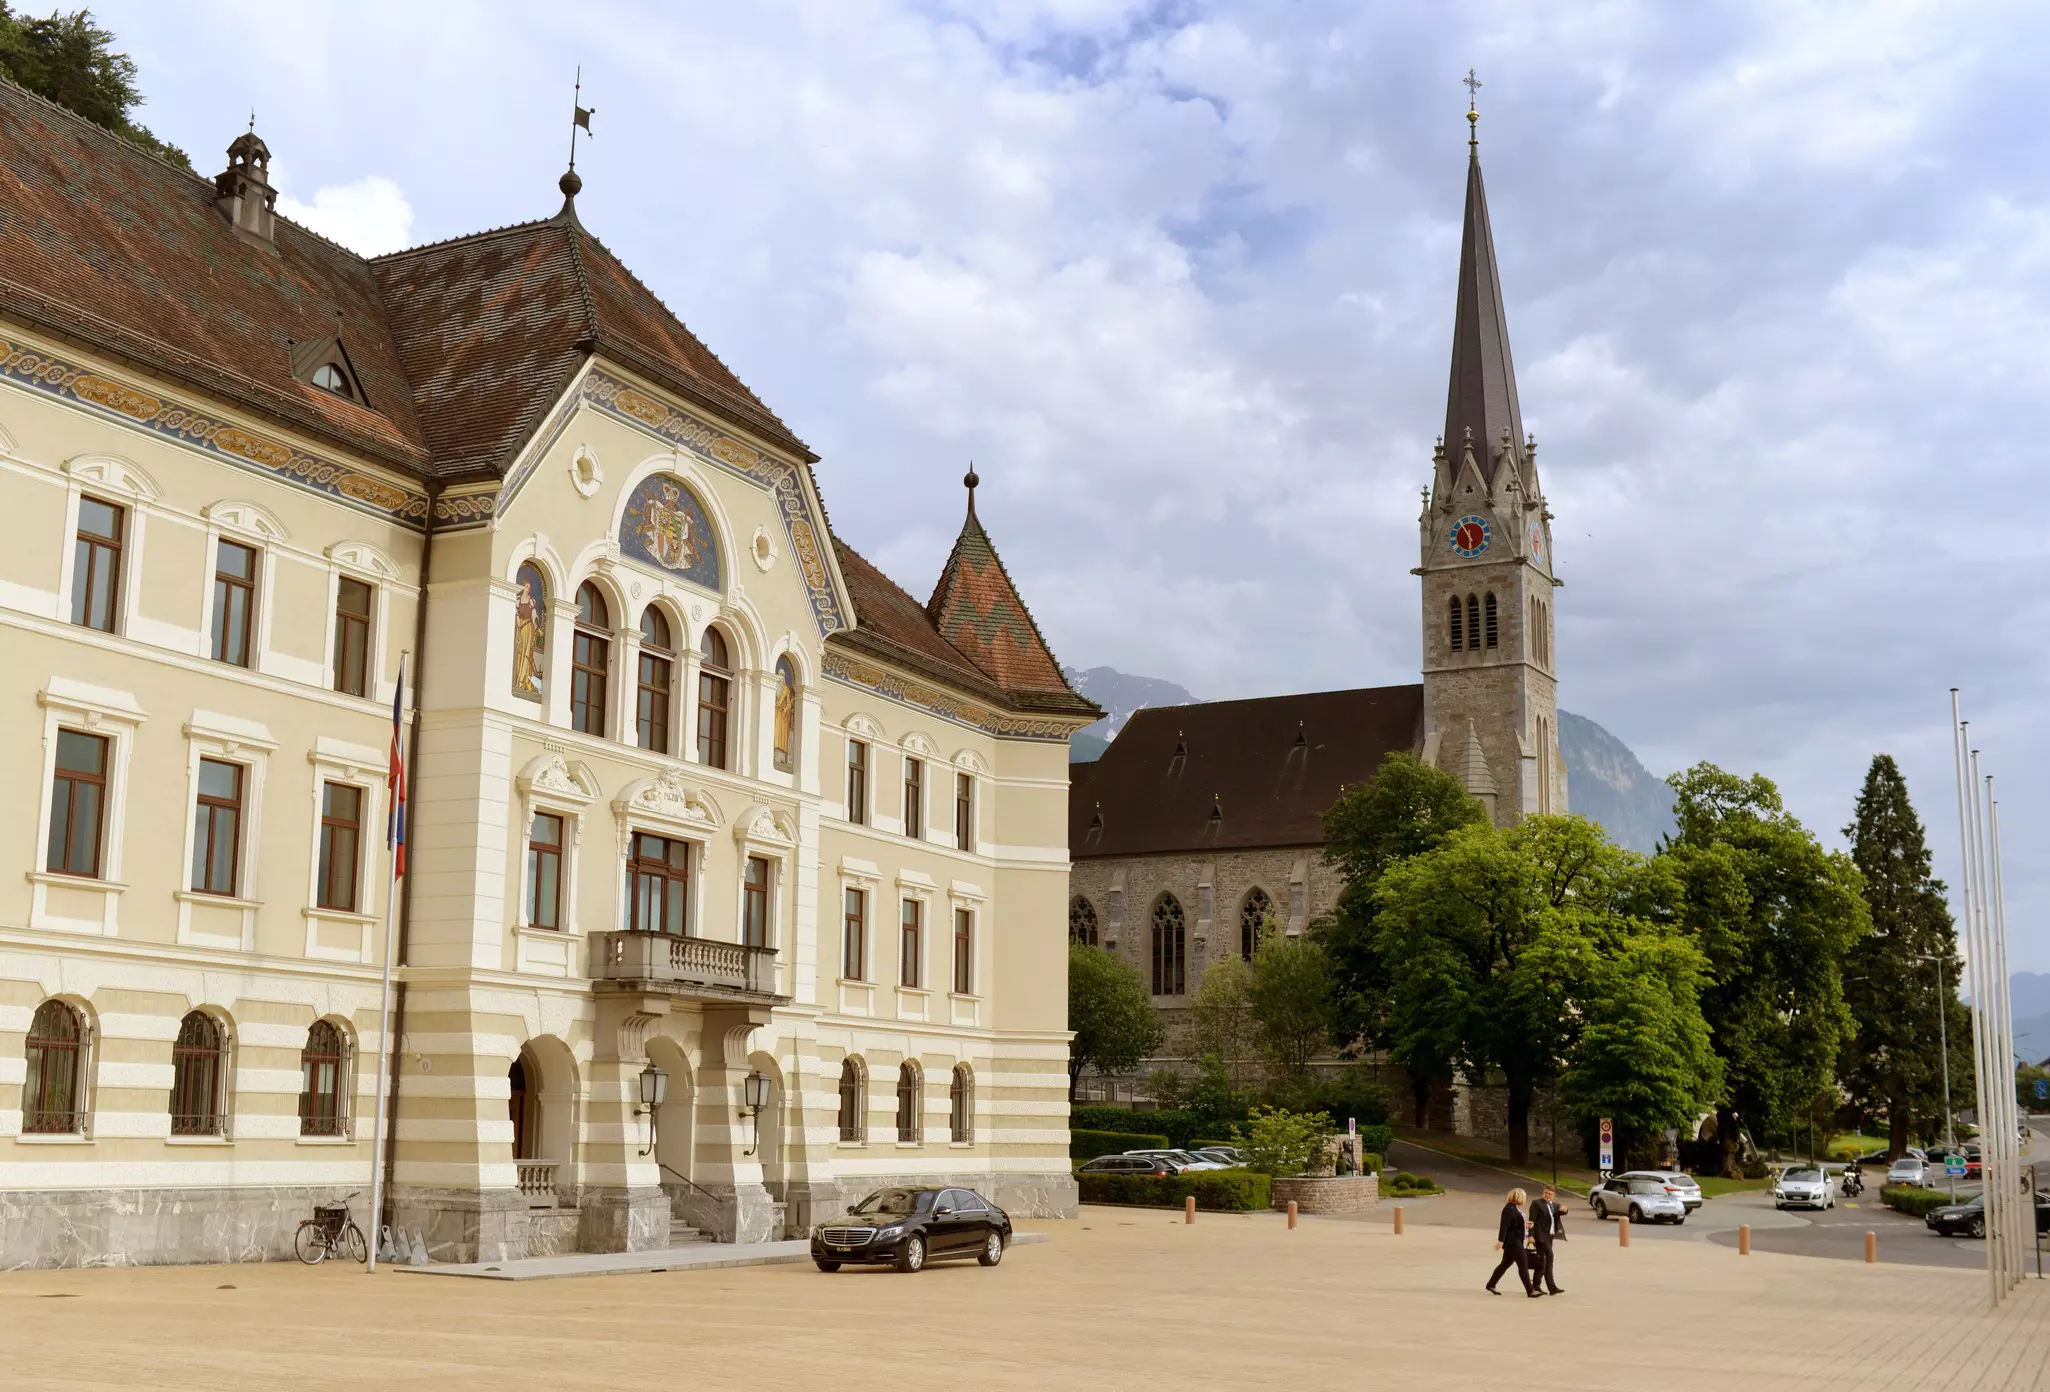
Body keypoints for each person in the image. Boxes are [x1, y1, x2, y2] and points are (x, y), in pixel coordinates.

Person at [1486, 1187, 1538, 1296]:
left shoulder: (1515, 1208)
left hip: (1515, 1241)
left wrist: (1526, 1225)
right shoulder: (1509, 1209)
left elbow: (1514, 1224)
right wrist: (1501, 1241)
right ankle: (1530, 1291)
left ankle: (1491, 1284)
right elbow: (1504, 1226)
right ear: (1519, 1198)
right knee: (1523, 1265)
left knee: (1504, 1264)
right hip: (1513, 1243)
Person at [1528, 1184, 1566, 1294]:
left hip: (1549, 1237)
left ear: (1554, 1195)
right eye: (1546, 1193)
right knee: (1549, 1258)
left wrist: (1565, 1209)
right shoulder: (1537, 1204)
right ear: (1543, 1193)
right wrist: (1530, 1236)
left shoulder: (1555, 1205)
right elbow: (1531, 1221)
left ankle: (1536, 1286)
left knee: (1542, 1261)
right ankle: (1551, 1287)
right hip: (1540, 1237)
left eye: (1550, 1194)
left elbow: (1561, 1211)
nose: (1547, 1195)